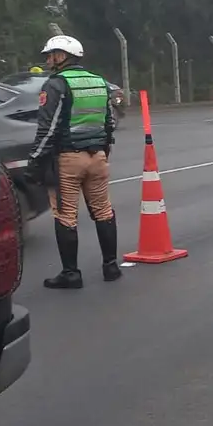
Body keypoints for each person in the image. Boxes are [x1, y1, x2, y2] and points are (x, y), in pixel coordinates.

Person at [26, 35, 121, 289]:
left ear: (62, 56)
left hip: (68, 159)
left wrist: (34, 162)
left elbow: (48, 128)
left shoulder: (56, 84)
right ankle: (111, 267)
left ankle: (71, 274)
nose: (47, 60)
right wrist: (103, 151)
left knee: (65, 215)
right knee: (103, 210)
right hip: (97, 156)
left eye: (51, 55)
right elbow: (108, 123)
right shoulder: (99, 82)